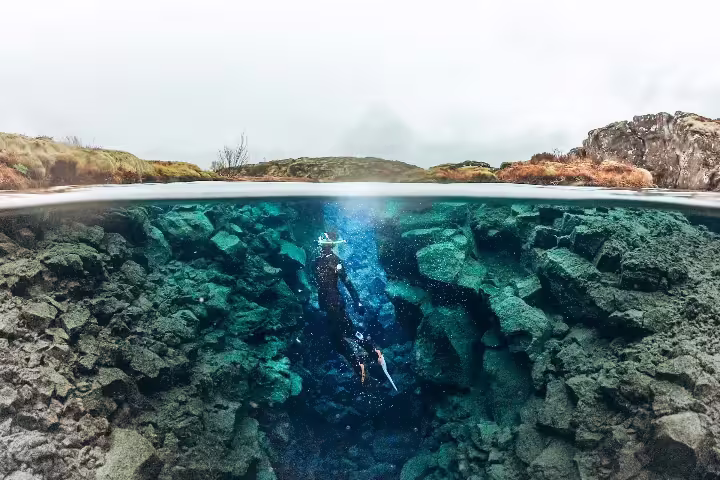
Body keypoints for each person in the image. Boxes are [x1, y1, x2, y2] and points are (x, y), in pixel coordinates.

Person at [313, 231, 383, 384]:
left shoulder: (335, 260)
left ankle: (373, 357)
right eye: (322, 243)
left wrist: (357, 301)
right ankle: (365, 364)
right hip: (327, 306)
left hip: (335, 304)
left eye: (326, 243)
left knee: (346, 334)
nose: (323, 246)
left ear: (330, 245)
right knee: (340, 340)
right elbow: (320, 286)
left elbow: (347, 282)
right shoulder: (316, 262)